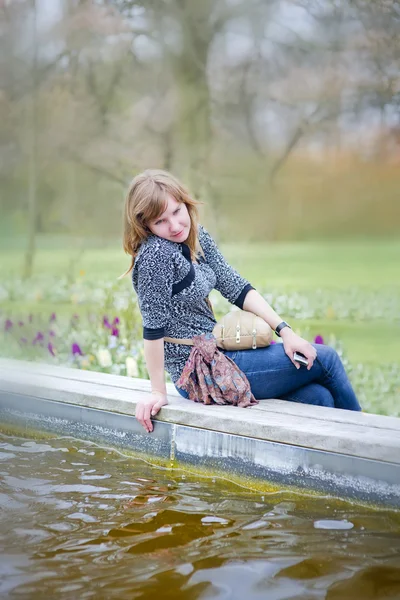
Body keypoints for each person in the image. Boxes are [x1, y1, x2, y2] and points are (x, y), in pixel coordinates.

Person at [122, 169, 361, 433]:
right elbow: (153, 329)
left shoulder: (196, 236)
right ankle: (367, 447)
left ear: (185, 203)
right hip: (198, 372)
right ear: (145, 225)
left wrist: (285, 331)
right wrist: (158, 391)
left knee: (318, 398)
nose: (175, 225)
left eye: (177, 211)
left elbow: (236, 287)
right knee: (325, 359)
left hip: (221, 353)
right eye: (161, 221)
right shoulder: (156, 255)